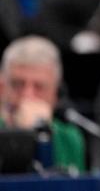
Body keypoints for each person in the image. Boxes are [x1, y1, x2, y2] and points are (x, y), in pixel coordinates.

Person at [0, 35, 86, 172]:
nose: (27, 95)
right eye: (17, 84)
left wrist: (42, 134)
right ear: (2, 87)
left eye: (39, 87)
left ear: (55, 94)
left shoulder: (69, 138)